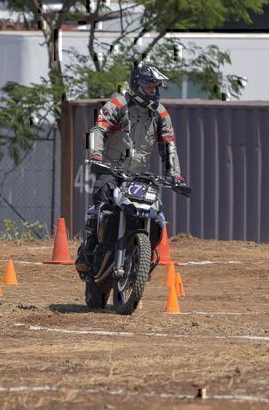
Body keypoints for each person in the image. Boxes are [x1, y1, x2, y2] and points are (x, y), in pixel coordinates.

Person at [75, 62, 187, 276]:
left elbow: (168, 145)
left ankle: (142, 257)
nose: (153, 91)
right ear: (137, 85)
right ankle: (87, 252)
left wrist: (175, 175)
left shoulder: (160, 113)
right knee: (103, 204)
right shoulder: (118, 104)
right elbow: (98, 129)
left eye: (155, 87)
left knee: (155, 211)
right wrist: (96, 155)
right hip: (110, 168)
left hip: (137, 174)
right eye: (148, 86)